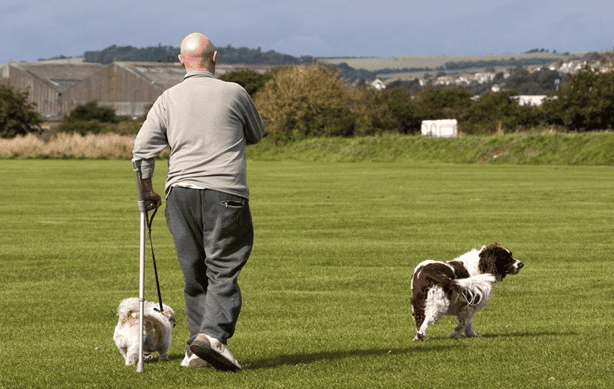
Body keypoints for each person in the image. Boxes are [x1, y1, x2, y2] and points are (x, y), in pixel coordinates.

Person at [132, 32, 265, 371]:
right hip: (226, 193)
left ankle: (197, 350)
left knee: (194, 274)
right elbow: (256, 133)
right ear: (215, 58)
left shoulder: (167, 98)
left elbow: (142, 149)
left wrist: (146, 189)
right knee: (222, 269)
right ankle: (212, 338)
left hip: (180, 194)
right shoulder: (235, 92)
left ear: (181, 60)